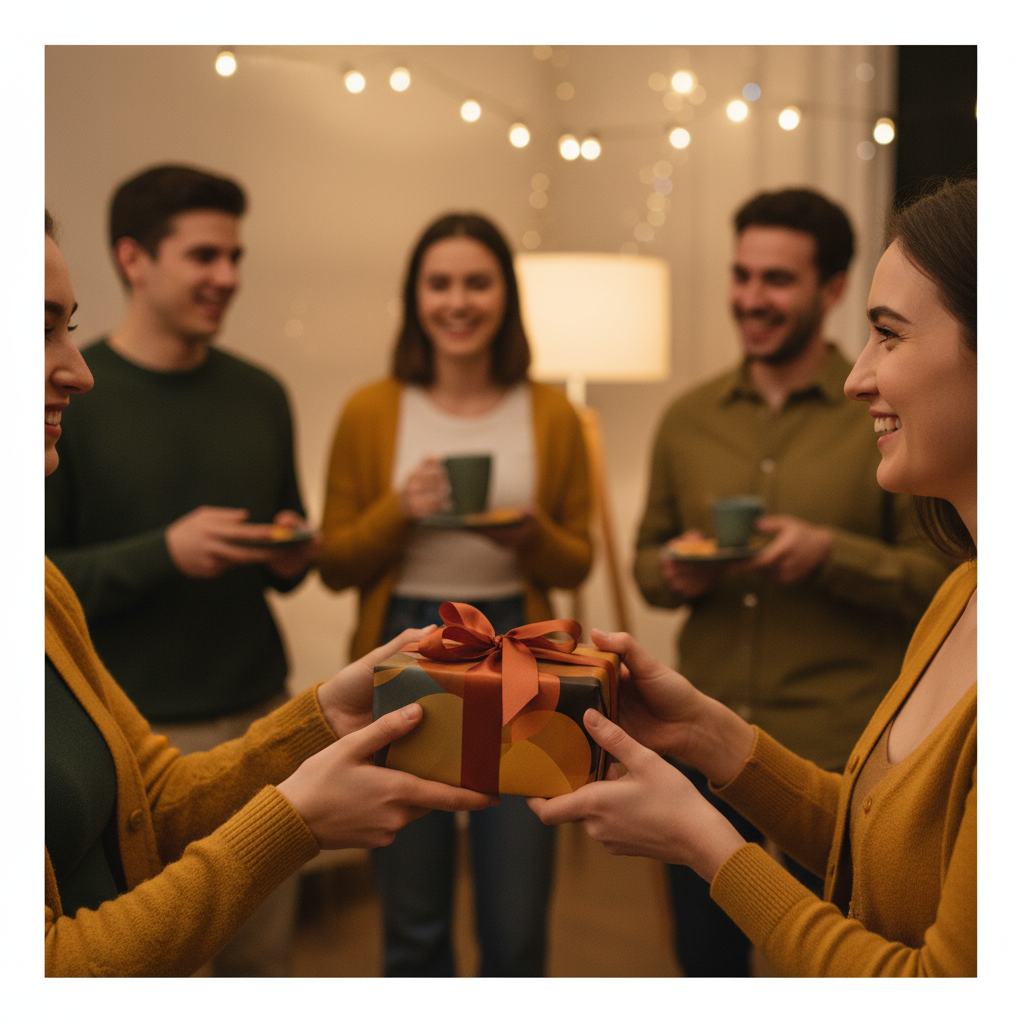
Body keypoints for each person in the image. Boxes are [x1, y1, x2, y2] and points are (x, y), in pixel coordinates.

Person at [531, 177, 977, 976]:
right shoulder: (965, 595)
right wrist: (704, 732)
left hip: (827, 721)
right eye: (742, 275)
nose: (859, 377)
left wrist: (709, 849)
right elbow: (869, 840)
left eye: (891, 334)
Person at [44, 210, 498, 977]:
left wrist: (326, 713)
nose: (75, 370)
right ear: (135, 258)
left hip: (249, 691)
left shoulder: (37, 591)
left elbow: (158, 795)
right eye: (33, 328)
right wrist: (294, 822)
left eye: (65, 327)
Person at [45, 166, 319, 974]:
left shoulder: (262, 393)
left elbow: (282, 560)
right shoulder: (76, 401)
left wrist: (292, 555)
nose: (226, 278)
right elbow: (48, 571)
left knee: (262, 965)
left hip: (253, 713)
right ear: (134, 258)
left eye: (235, 257)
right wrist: (163, 552)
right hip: (119, 734)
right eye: (204, 256)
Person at [318, 212, 592, 976]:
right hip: (407, 646)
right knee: (411, 918)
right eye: (440, 283)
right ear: (416, 297)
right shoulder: (372, 410)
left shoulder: (550, 411)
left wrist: (531, 535)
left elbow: (579, 557)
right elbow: (334, 562)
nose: (459, 301)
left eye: (478, 281)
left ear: (505, 295)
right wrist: (396, 512)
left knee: (515, 918)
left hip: (522, 648)